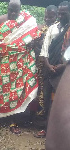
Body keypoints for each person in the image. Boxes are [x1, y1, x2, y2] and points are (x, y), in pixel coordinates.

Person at [0, 0, 39, 134]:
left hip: (19, 62)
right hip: (3, 61)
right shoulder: (0, 20)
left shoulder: (26, 21)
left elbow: (32, 37)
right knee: (1, 90)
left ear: (20, 10)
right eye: (10, 10)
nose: (13, 13)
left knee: (16, 91)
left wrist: (30, 43)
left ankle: (13, 121)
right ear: (7, 9)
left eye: (16, 10)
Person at [35, 1, 70, 138]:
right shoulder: (53, 28)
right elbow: (44, 50)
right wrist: (49, 65)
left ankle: (59, 132)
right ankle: (46, 129)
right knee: (47, 100)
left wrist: (62, 65)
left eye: (63, 13)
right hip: (49, 69)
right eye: (59, 13)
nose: (60, 16)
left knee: (61, 101)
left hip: (65, 71)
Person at [33, 5, 58, 138]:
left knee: (47, 95)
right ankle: (38, 123)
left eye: (51, 16)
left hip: (52, 66)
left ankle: (45, 125)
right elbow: (37, 49)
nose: (48, 19)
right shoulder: (40, 29)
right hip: (40, 66)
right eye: (46, 16)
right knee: (39, 93)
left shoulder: (59, 30)